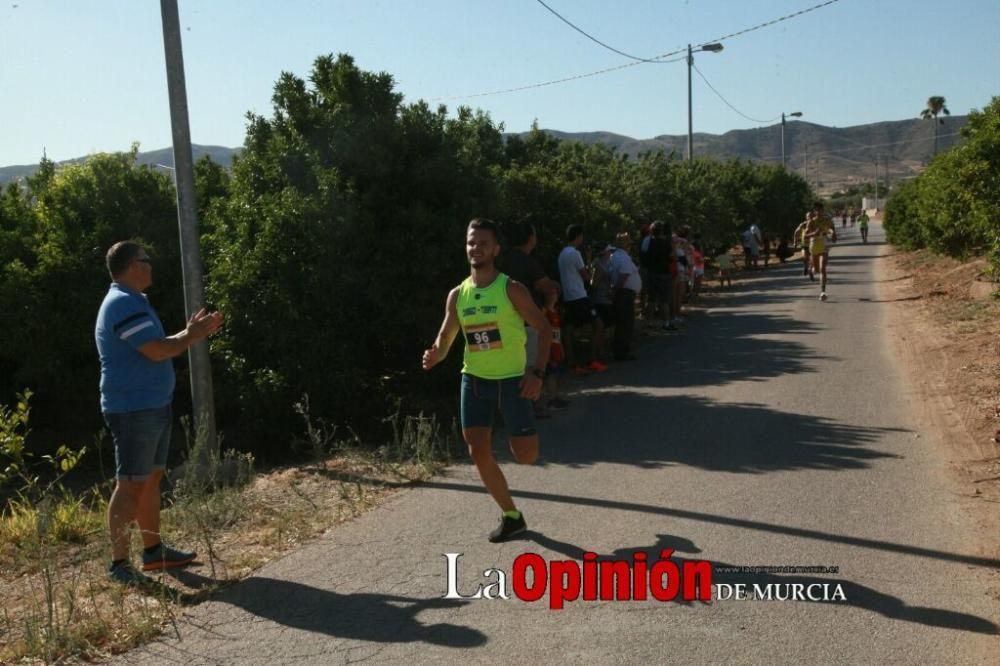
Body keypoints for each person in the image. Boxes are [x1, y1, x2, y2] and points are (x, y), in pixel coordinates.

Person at [95, 241, 223, 586]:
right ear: (131, 266)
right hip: (133, 409)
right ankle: (119, 565)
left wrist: (190, 333)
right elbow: (155, 350)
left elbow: (155, 345)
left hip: (149, 406)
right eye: (145, 260)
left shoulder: (134, 300)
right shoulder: (122, 303)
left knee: (150, 477)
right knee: (130, 485)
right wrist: (190, 334)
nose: (150, 265)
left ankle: (153, 553)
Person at [422, 218, 552, 542]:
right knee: (477, 450)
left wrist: (536, 373)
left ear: (495, 249)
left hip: (512, 383)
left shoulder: (512, 289)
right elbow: (446, 337)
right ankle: (512, 516)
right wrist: (435, 355)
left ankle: (518, 438)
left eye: (482, 243)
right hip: (475, 382)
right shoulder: (458, 295)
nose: (475, 248)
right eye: (471, 242)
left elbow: (543, 328)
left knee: (526, 455)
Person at [499, 220, 561, 418]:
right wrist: (548, 307)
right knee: (530, 366)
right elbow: (548, 287)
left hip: (502, 322)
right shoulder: (527, 261)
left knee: (507, 366)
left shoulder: (500, 259)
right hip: (528, 322)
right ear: (529, 238)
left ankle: (504, 408)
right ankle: (529, 408)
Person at [557, 225, 607, 372]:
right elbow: (586, 276)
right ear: (578, 236)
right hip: (579, 295)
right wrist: (590, 260)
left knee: (569, 328)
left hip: (568, 296)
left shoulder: (562, 254)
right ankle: (592, 359)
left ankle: (572, 361)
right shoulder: (575, 253)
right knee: (598, 324)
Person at [608, 233, 642, 361]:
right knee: (625, 323)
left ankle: (622, 350)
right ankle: (621, 351)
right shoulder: (621, 256)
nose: (630, 246)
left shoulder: (619, 256)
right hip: (624, 293)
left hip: (625, 292)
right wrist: (615, 290)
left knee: (624, 322)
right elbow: (624, 275)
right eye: (628, 243)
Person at [804, 202, 837, 301]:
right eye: (817, 210)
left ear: (823, 210)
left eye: (821, 210)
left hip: (824, 245)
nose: (819, 212)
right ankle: (812, 269)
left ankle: (823, 292)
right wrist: (814, 233)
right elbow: (806, 235)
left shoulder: (827, 220)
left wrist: (833, 235)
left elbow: (832, 230)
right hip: (814, 245)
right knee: (817, 270)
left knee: (823, 269)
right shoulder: (812, 222)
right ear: (815, 211)